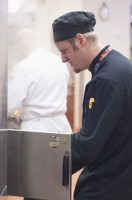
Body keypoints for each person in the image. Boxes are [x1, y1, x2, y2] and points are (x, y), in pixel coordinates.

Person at [52, 11, 132, 200]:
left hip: (106, 185)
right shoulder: (119, 64)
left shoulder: (105, 81)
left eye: (64, 51)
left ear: (80, 40)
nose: (63, 59)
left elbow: (87, 146)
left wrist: (47, 164)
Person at [8, 29, 72, 133]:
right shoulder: (59, 62)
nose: (18, 51)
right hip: (60, 126)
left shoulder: (24, 66)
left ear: (22, 44)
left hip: (35, 128)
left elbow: (11, 104)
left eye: (17, 47)